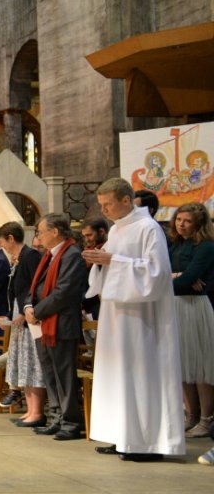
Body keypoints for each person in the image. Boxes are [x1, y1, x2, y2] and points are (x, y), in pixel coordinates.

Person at [84, 178, 185, 461]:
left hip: (143, 318)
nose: (103, 210)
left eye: (108, 204)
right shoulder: (117, 230)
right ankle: (122, 437)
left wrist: (112, 261)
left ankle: (147, 443)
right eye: (101, 205)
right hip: (117, 316)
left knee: (141, 375)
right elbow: (114, 263)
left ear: (126, 200)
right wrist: (101, 261)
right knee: (118, 375)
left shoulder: (149, 228)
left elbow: (156, 273)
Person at [24, 213, 89, 441]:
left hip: (61, 323)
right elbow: (36, 287)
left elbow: (64, 292)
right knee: (50, 373)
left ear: (55, 232)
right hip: (43, 322)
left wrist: (37, 311)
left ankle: (71, 422)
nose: (38, 236)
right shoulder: (48, 255)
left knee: (64, 375)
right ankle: (56, 417)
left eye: (41, 232)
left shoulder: (71, 255)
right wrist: (28, 306)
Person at [0, 222, 45, 416]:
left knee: (31, 362)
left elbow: (36, 287)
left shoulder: (31, 256)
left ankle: (36, 412)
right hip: (20, 314)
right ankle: (30, 410)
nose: (2, 245)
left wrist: (22, 312)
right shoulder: (19, 258)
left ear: (11, 238)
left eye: (2, 241)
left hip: (30, 315)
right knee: (22, 362)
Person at [167, 203, 214, 438]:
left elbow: (191, 278)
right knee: (183, 364)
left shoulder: (205, 246)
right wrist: (177, 276)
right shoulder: (176, 245)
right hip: (176, 306)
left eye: (187, 220)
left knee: (201, 366)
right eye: (179, 219)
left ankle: (206, 418)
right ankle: (190, 415)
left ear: (198, 224)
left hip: (195, 306)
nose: (181, 224)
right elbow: (162, 273)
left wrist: (179, 278)